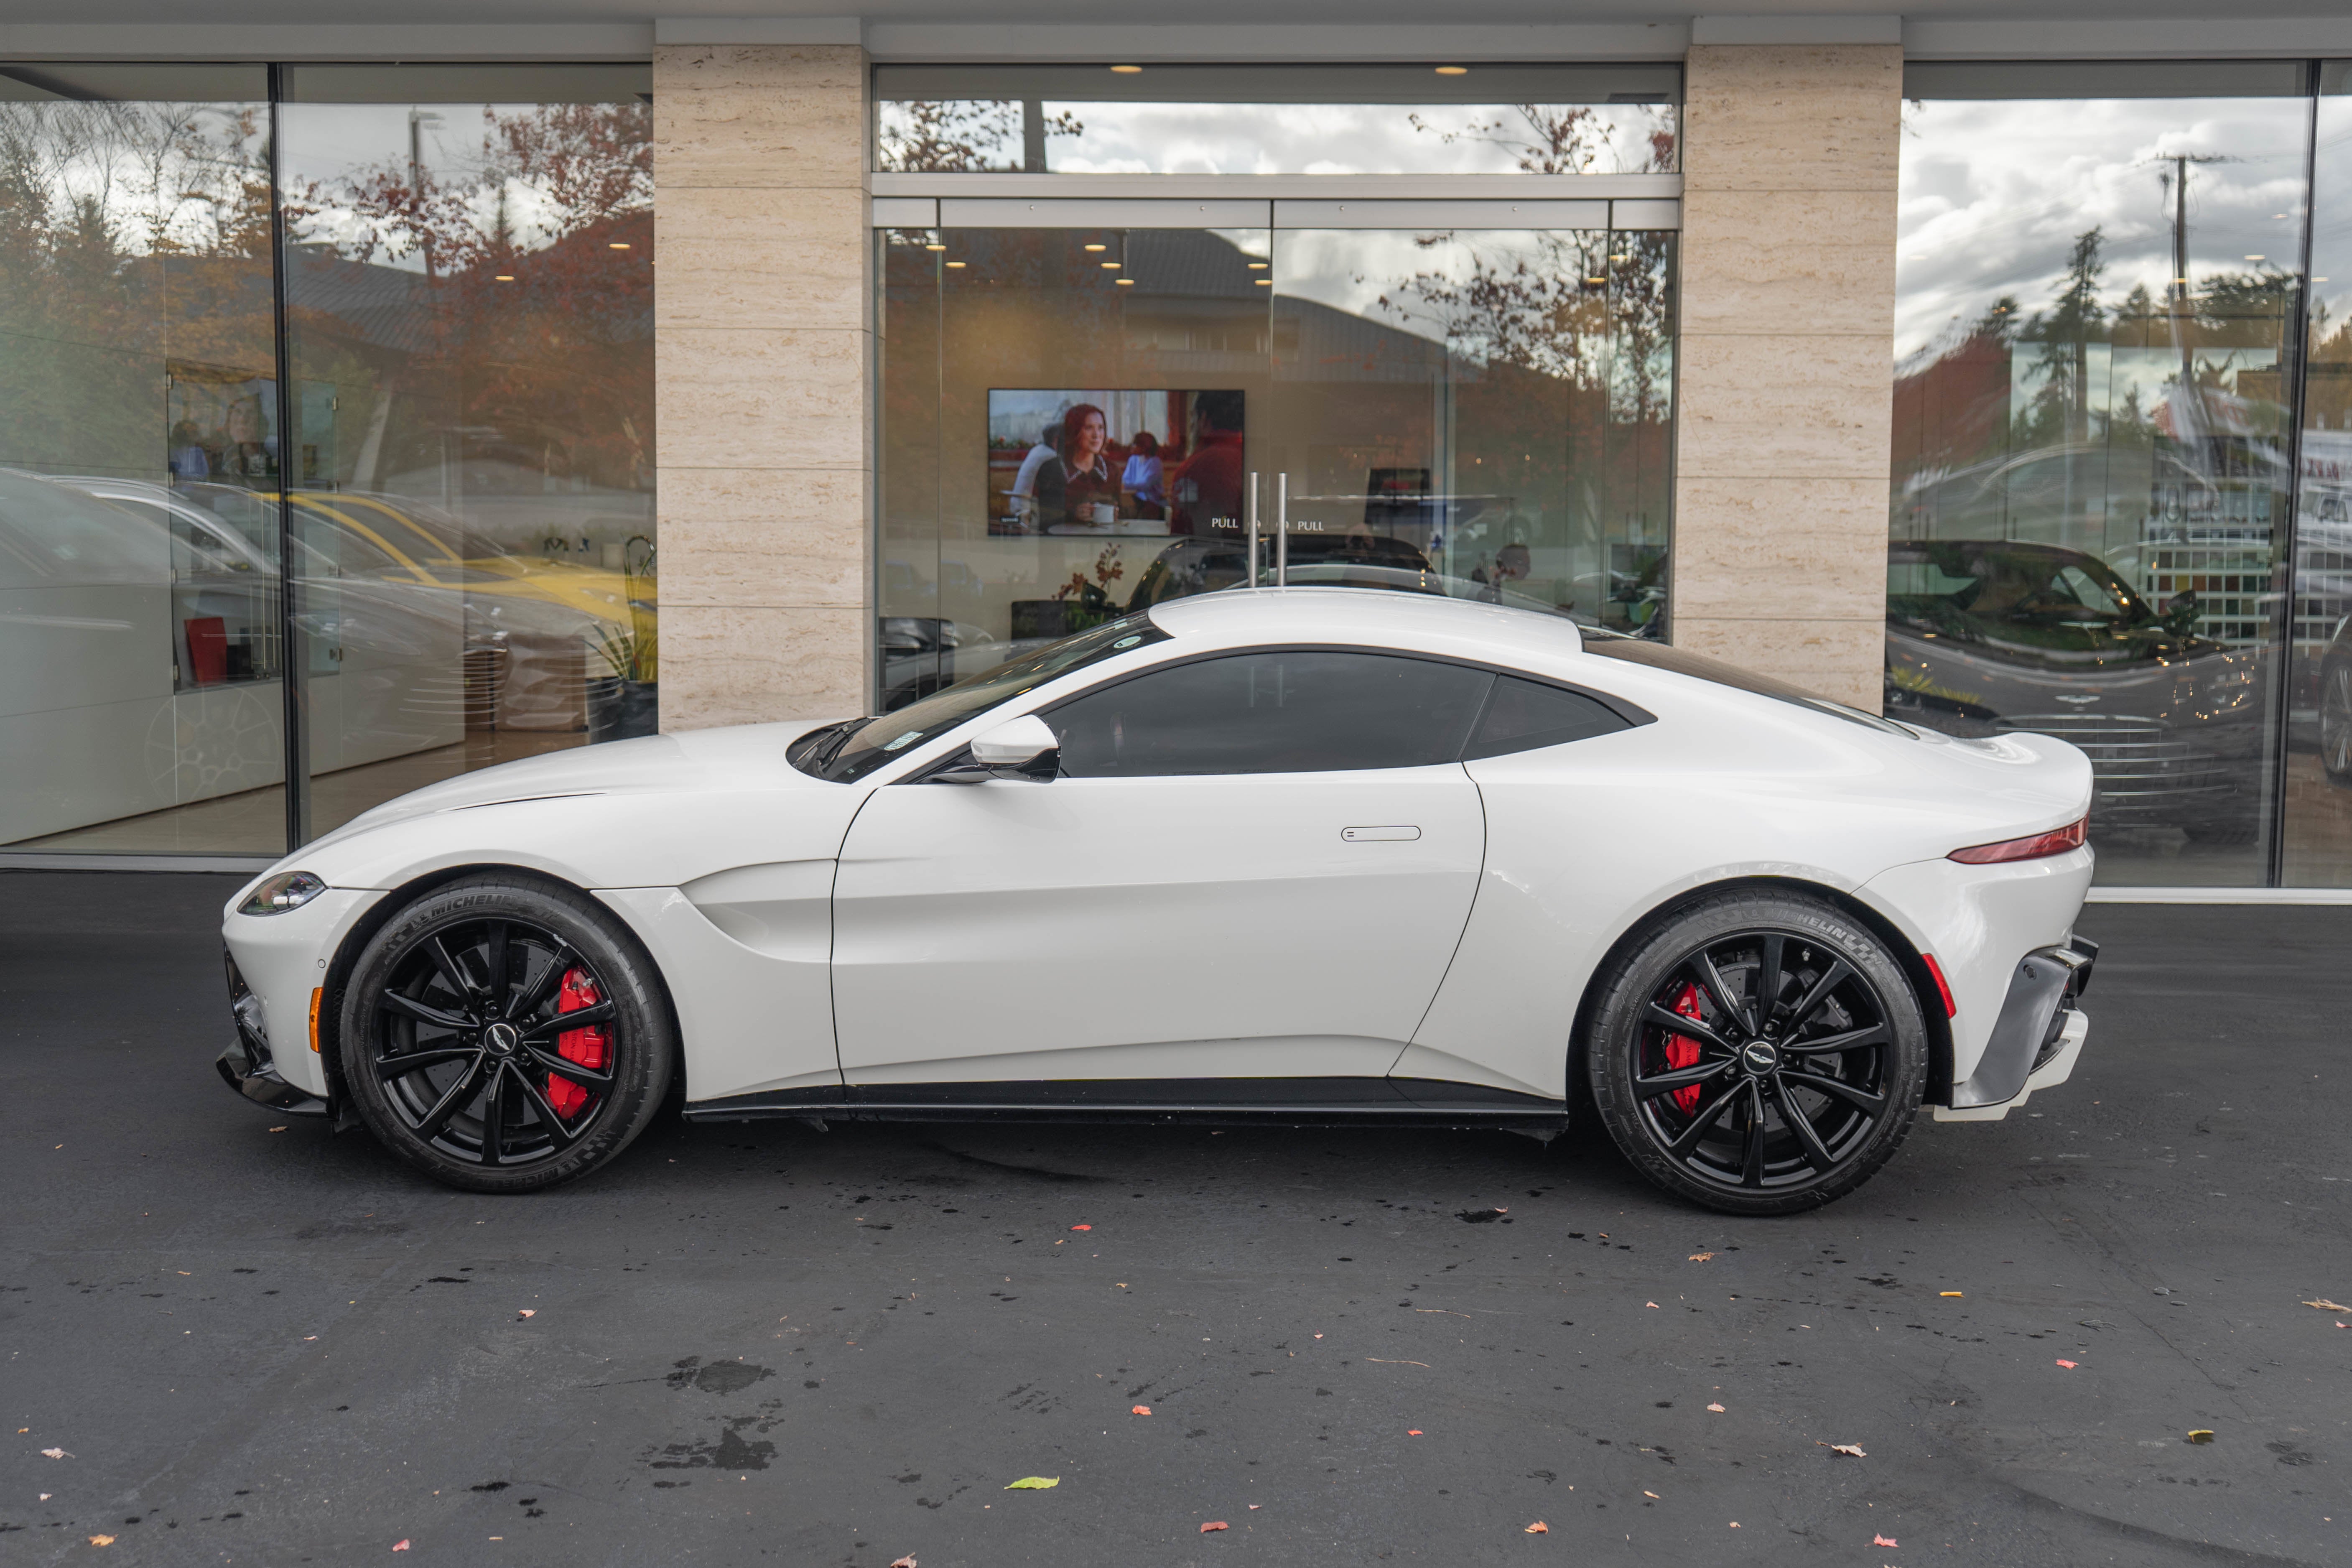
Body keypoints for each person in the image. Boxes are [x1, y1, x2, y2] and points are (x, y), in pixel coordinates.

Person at [1031, 403, 1118, 532]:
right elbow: (1044, 520)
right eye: (1089, 428)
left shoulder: (1111, 471)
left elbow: (1123, 516)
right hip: (1063, 547)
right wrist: (1073, 515)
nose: (1097, 435)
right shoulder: (1051, 469)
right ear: (1074, 431)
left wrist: (1117, 514)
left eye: (1101, 428)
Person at [1167, 390, 1244, 537]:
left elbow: (1182, 534)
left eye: (1192, 417)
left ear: (1203, 418)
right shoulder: (1254, 459)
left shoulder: (1193, 470)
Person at [1007, 422, 1059, 531]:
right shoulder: (1051, 456)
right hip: (1028, 510)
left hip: (1017, 503)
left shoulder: (1039, 449)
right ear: (1056, 439)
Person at [1121, 429, 1165, 519]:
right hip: (1136, 501)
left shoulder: (1155, 463)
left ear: (1144, 447)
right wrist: (1132, 486)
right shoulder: (1133, 460)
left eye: (1135, 444)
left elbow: (1145, 485)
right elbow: (1125, 480)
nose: (1132, 447)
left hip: (1154, 504)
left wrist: (1130, 486)